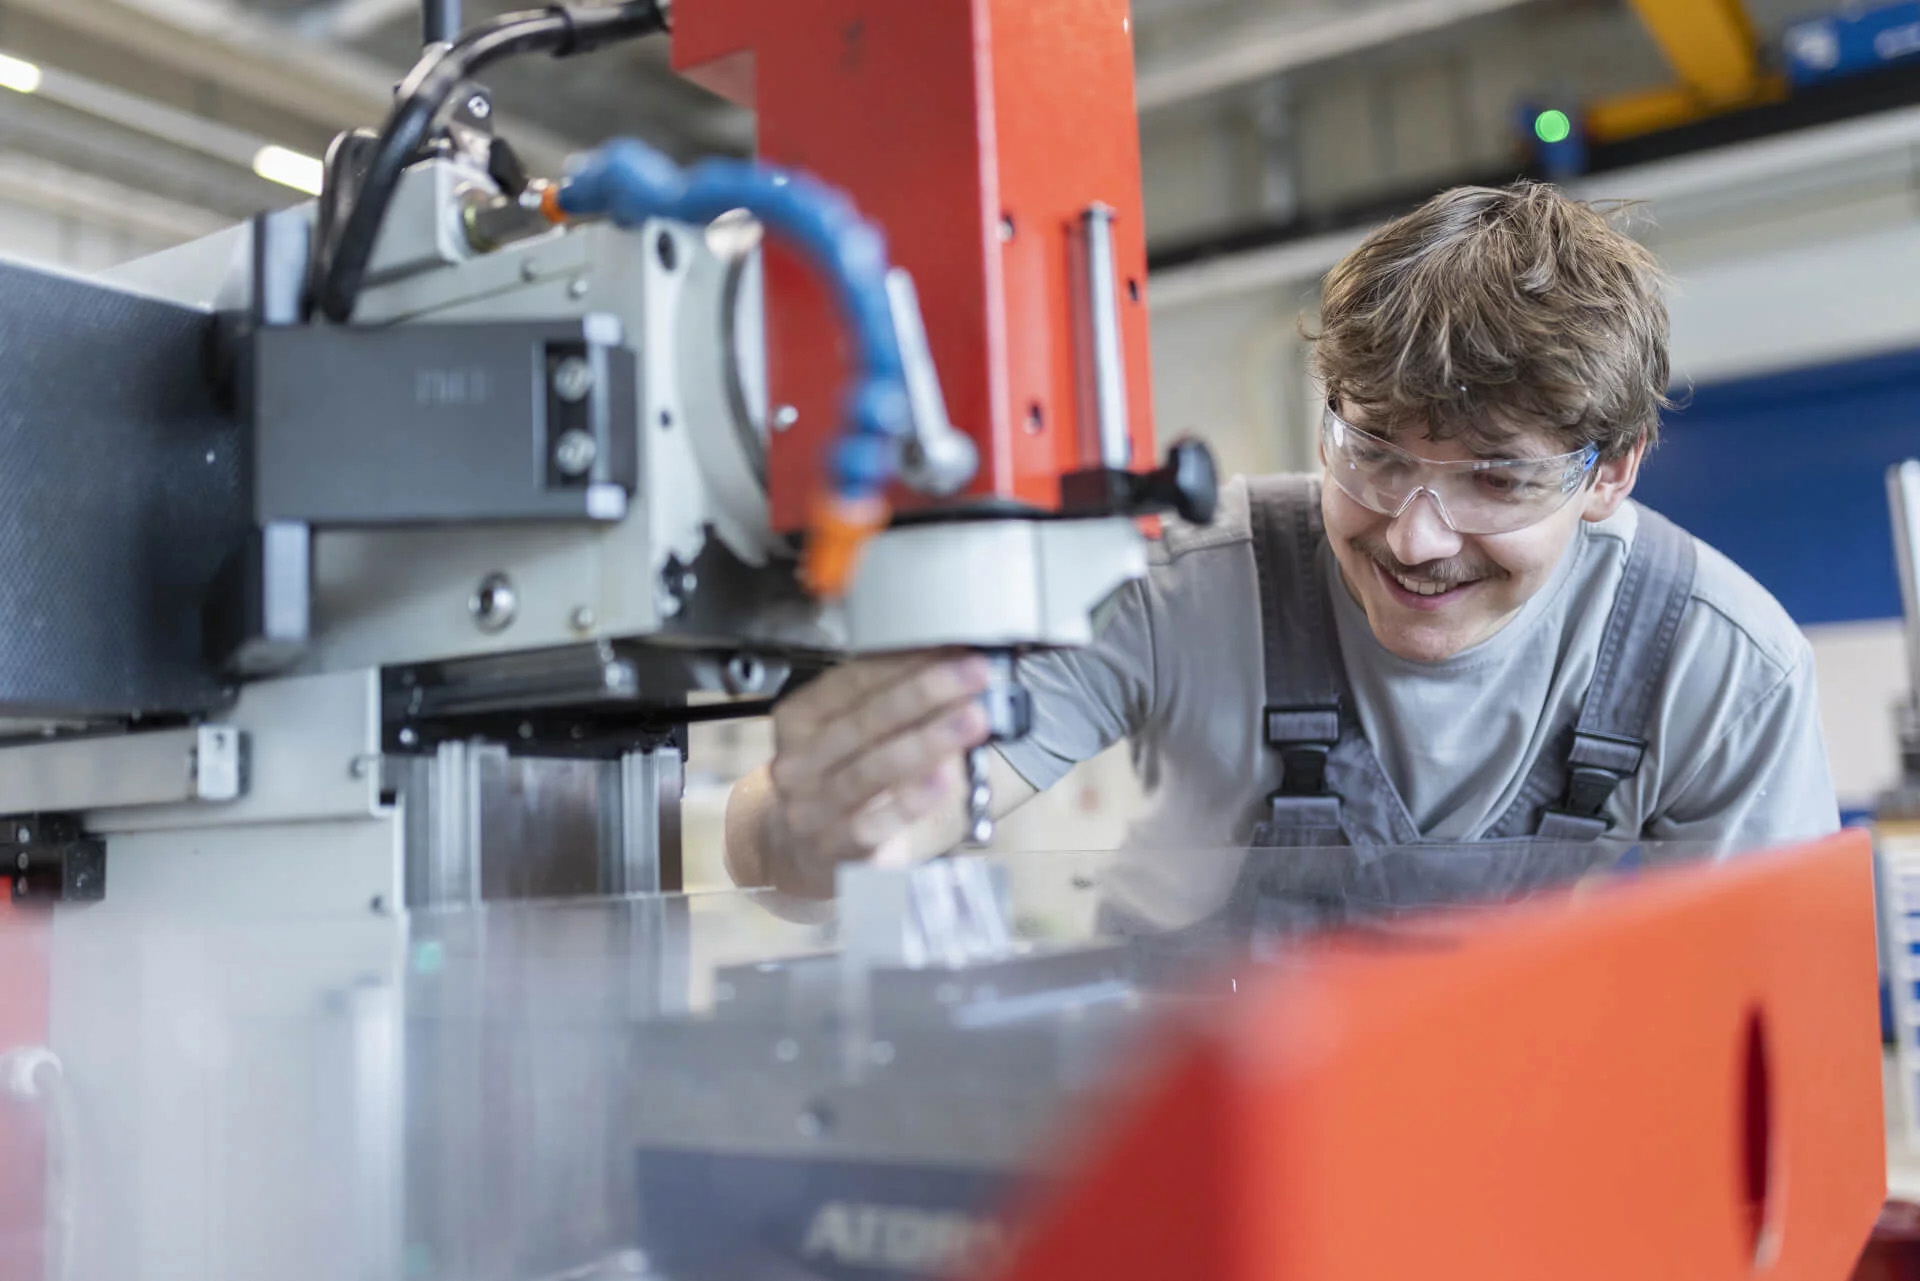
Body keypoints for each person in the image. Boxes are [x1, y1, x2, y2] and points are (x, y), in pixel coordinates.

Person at [722, 181, 1838, 911]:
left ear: (1613, 470)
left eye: (1495, 479)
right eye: (1375, 454)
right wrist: (811, 828)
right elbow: (813, 852)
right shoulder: (1180, 586)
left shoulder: (1721, 668)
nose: (1414, 533)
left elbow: (1761, 1032)